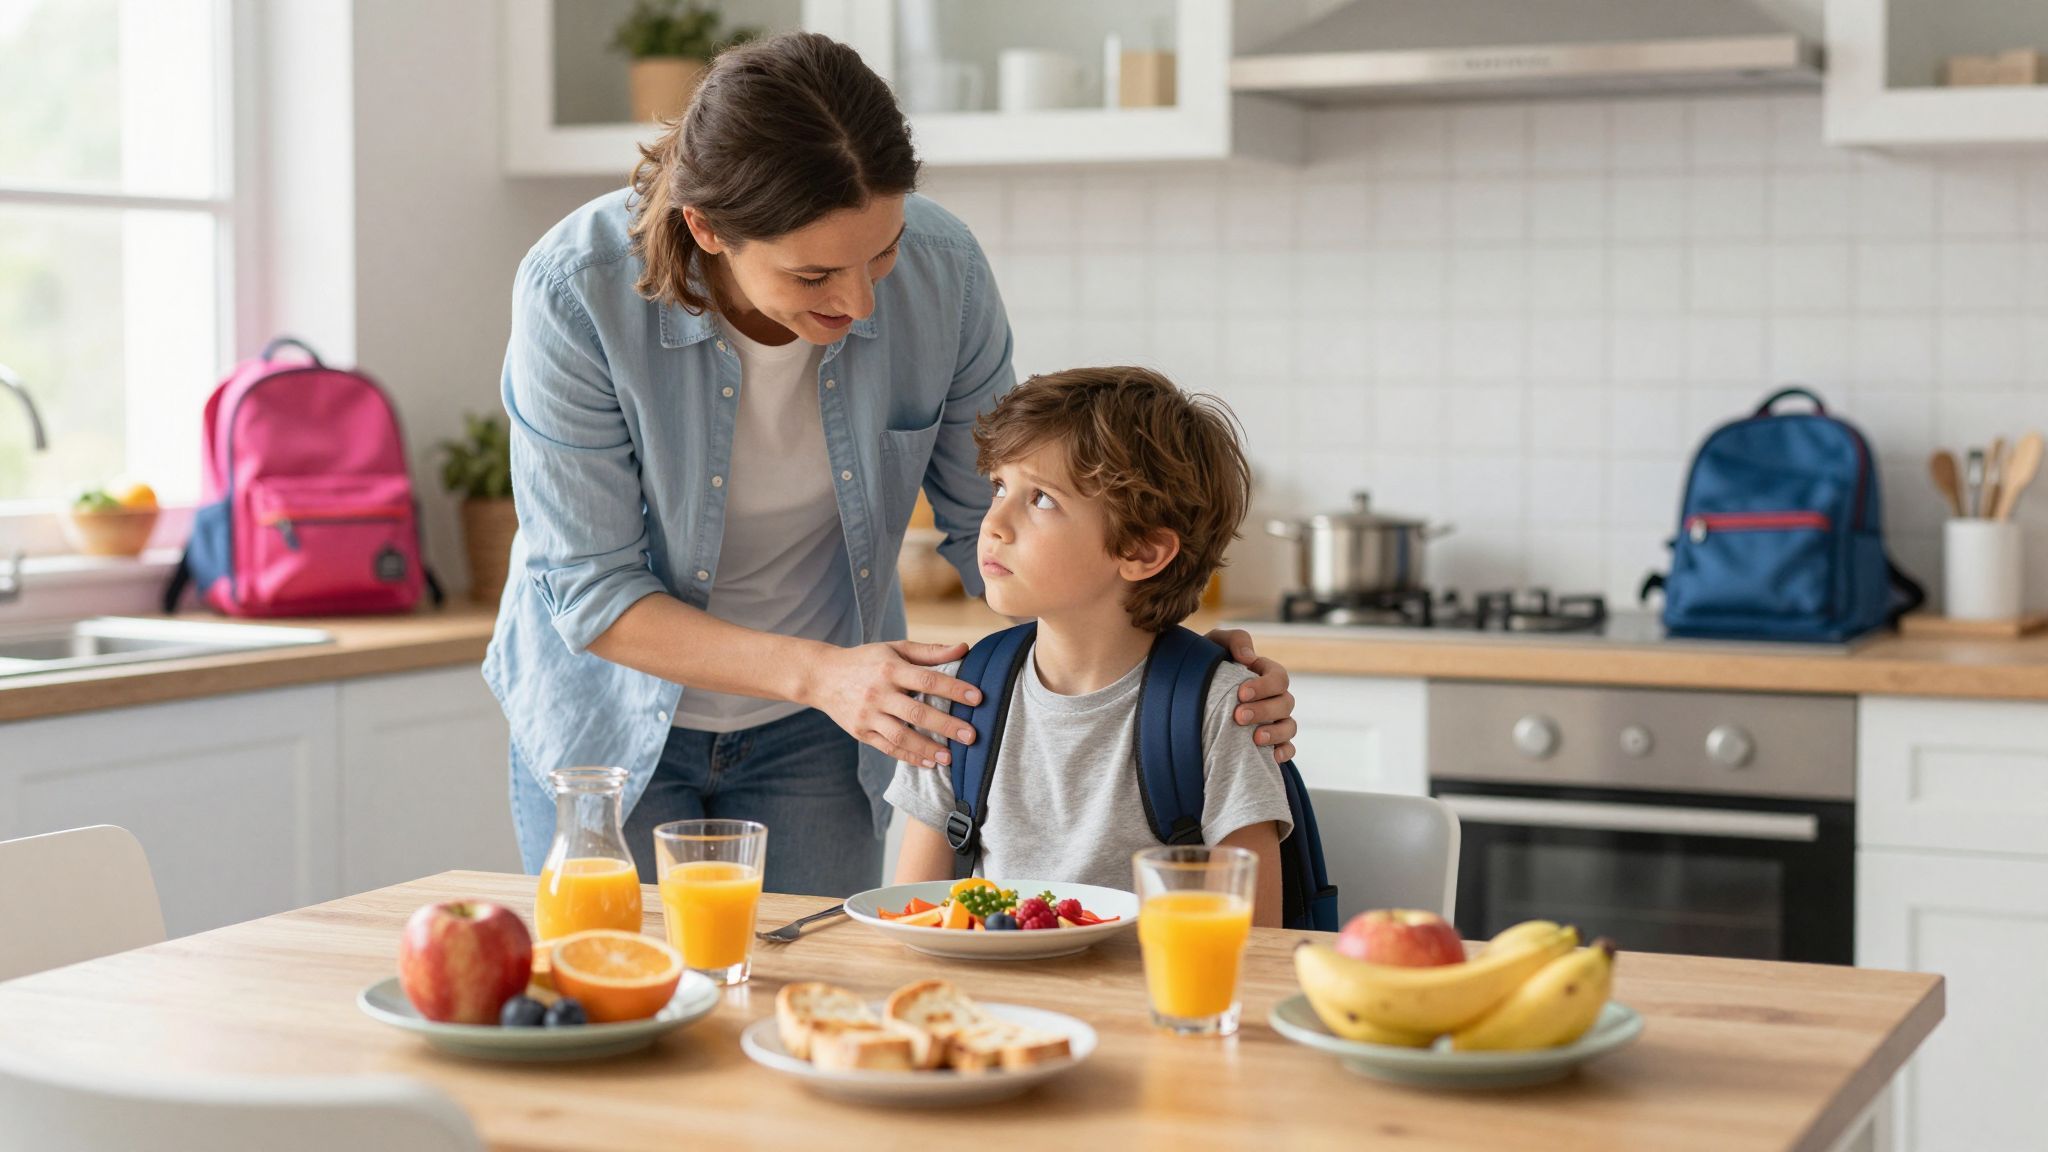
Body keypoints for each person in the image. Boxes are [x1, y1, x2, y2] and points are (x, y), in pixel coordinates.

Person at [485, 32, 1300, 899]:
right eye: (813, 275)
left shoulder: (944, 273)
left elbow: (989, 533)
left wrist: (1164, 662)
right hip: (613, 725)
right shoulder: (577, 288)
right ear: (706, 227)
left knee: (812, 1001)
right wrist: (826, 673)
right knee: (629, 1003)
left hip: (826, 736)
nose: (861, 302)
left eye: (883, 252)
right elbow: (590, 591)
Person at [887, 367, 1291, 925]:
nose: (994, 523)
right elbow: (912, 920)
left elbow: (1250, 944)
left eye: (1042, 500)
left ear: (1144, 552)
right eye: (999, 487)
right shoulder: (958, 697)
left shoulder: (1220, 709)